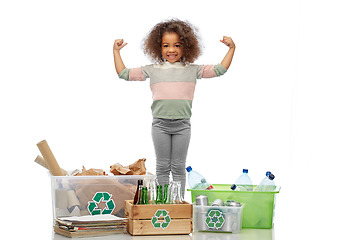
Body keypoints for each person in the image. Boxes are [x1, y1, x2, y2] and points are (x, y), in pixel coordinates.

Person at [113, 19, 235, 197]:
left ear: (185, 46)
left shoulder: (192, 70)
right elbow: (123, 73)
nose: (171, 50)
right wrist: (116, 51)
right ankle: (164, 202)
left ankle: (177, 203)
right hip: (160, 125)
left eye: (177, 45)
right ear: (158, 47)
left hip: (182, 125)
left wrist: (231, 49)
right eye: (166, 45)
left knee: (178, 166)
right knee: (162, 166)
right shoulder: (152, 69)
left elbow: (219, 70)